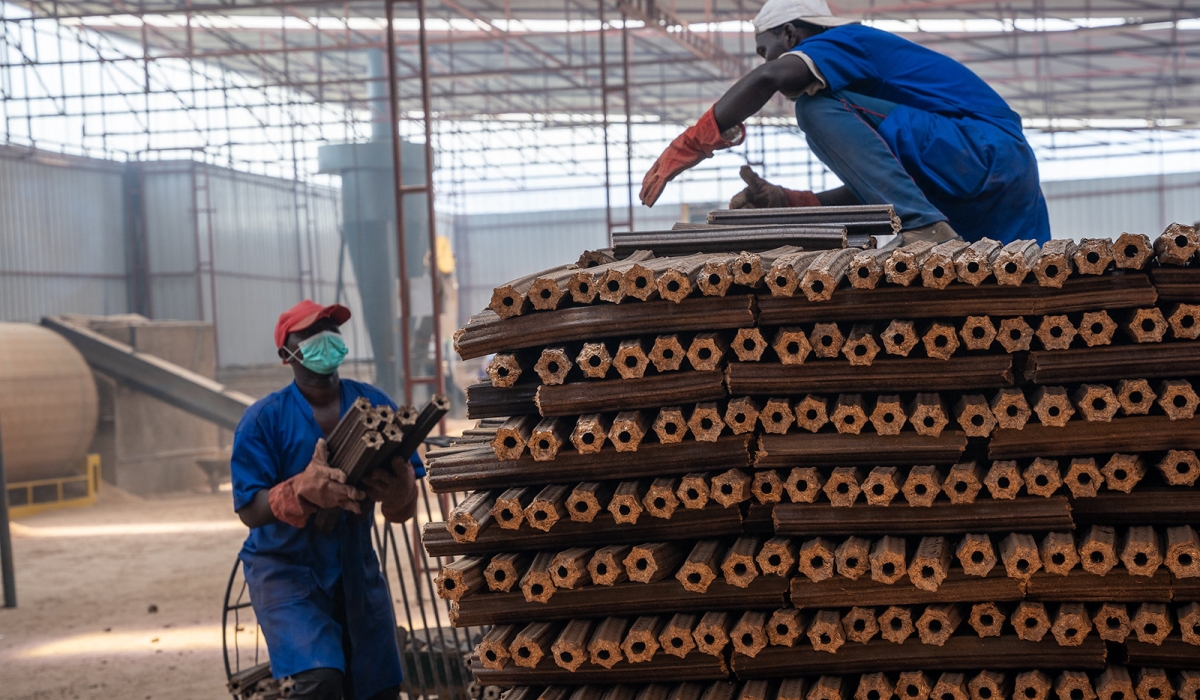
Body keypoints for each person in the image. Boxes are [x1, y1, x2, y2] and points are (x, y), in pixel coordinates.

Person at [639, 0, 1051, 246]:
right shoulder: (894, 116)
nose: (768, 63)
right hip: (993, 180)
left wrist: (693, 142)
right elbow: (884, 183)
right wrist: (790, 202)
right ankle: (926, 226)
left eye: (768, 51)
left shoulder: (842, 40)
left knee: (814, 107)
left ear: (790, 35)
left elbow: (769, 79)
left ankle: (923, 230)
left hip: (984, 151)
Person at [231, 300, 423, 700]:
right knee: (319, 680)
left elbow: (402, 511)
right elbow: (250, 511)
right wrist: (300, 489)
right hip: (285, 571)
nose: (327, 340)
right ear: (287, 354)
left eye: (332, 331)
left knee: (378, 687)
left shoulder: (374, 405)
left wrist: (402, 492)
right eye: (312, 334)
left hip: (356, 569)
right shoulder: (263, 420)